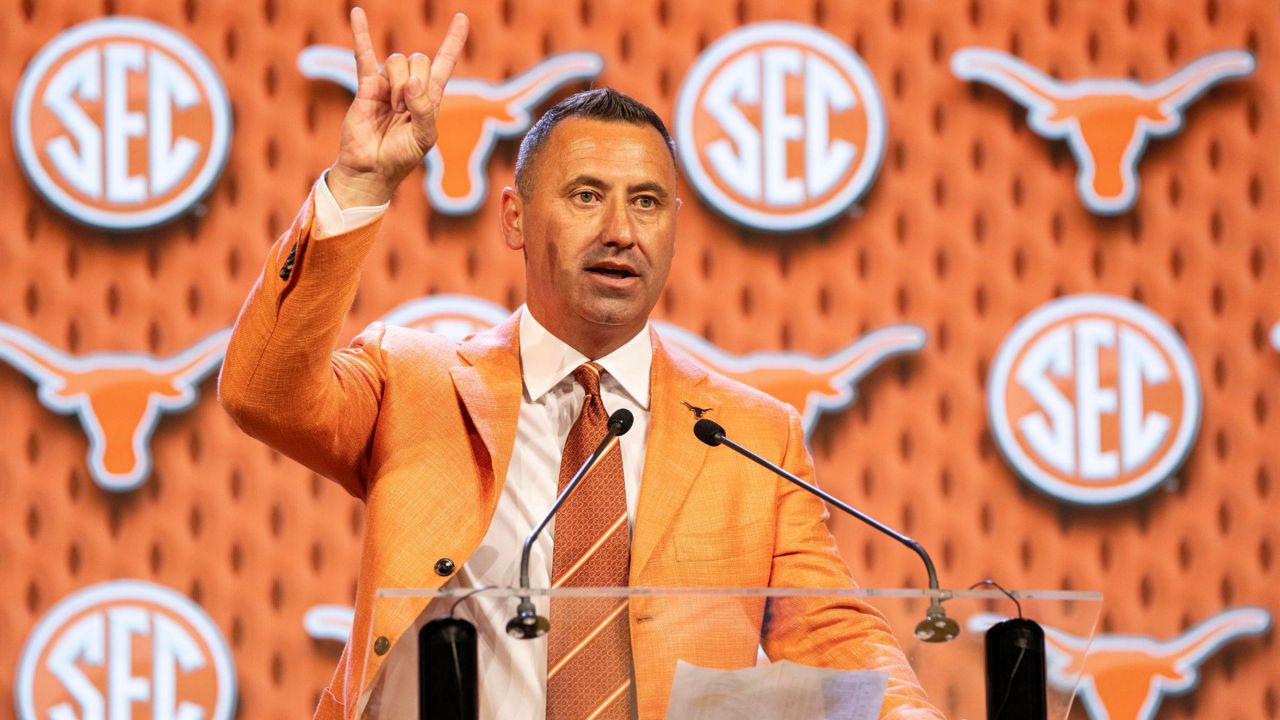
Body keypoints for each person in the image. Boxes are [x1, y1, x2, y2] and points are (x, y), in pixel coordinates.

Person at [218, 7, 942, 720]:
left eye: (649, 202)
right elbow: (262, 393)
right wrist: (359, 186)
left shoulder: (754, 436)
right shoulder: (410, 382)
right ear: (515, 218)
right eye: (587, 195)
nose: (621, 232)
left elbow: (837, 635)